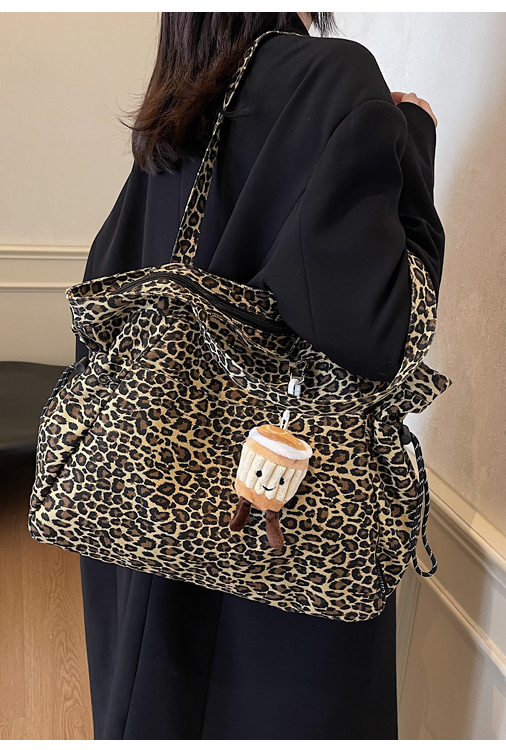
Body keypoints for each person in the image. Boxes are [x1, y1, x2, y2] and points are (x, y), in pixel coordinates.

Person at [75, 12, 444, 740]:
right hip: (292, 532)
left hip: (146, 505)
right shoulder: (332, 77)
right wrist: (414, 143)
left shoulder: (177, 104)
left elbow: (102, 293)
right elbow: (385, 332)